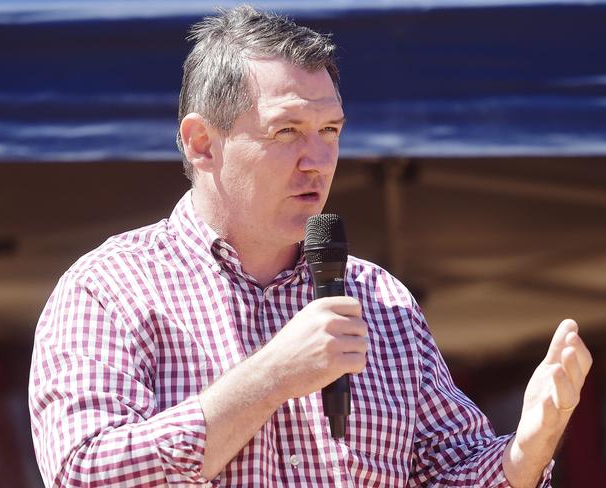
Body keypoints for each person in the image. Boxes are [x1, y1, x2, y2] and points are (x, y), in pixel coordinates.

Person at [29, 5, 592, 487]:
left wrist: (527, 450)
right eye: (287, 132)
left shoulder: (380, 300)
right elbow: (84, 471)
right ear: (202, 143)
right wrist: (270, 377)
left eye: (330, 131)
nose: (318, 161)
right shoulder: (109, 289)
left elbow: (451, 471)